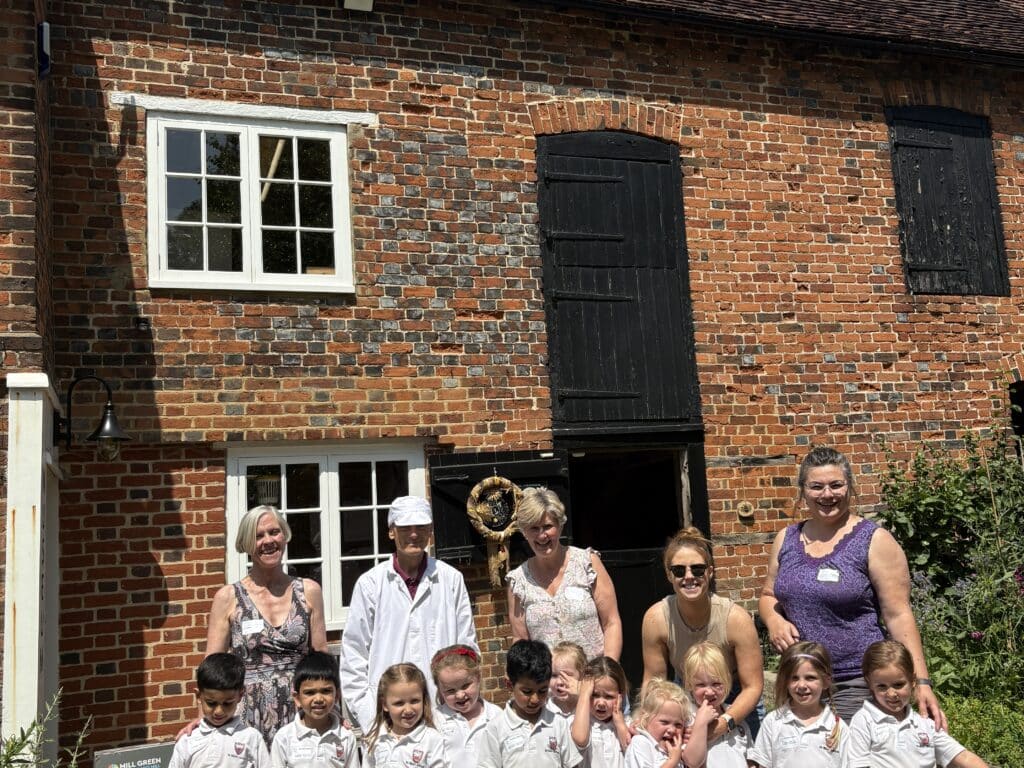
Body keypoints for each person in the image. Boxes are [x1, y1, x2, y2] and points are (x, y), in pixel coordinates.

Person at [759, 446, 945, 726]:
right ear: (803, 491)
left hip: (857, 681)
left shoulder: (874, 540)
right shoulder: (786, 538)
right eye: (817, 487)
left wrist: (921, 682)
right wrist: (774, 621)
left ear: (849, 487)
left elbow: (898, 615)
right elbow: (768, 594)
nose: (827, 494)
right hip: (800, 681)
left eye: (836, 485)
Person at [339, 495, 477, 732]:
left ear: (430, 530)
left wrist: (460, 705)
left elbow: (467, 647)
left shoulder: (451, 579)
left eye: (421, 527)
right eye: (405, 528)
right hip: (387, 719)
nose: (414, 534)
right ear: (391, 532)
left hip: (444, 714)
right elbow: (354, 654)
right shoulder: (370, 584)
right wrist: (369, 714)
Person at [206, 505, 328, 745]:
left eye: (274, 532)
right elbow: (212, 667)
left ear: (284, 536)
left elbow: (322, 659)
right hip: (247, 715)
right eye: (259, 536)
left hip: (302, 712)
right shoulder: (228, 597)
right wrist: (203, 720)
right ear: (246, 543)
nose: (268, 541)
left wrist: (332, 711)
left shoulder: (309, 591)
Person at [640, 527, 763, 739]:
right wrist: (645, 717)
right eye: (679, 571)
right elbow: (653, 680)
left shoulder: (735, 619)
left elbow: (752, 686)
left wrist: (724, 724)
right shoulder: (656, 619)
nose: (689, 577)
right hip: (687, 691)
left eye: (697, 569)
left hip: (735, 695)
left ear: (710, 572)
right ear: (669, 575)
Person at [507, 487, 623, 660]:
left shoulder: (587, 563)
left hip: (595, 673)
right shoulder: (518, 582)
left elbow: (611, 622)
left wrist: (608, 670)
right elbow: (520, 641)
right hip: (547, 676)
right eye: (534, 528)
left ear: (560, 526)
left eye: (548, 526)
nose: (542, 536)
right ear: (524, 532)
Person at [847, 640, 987, 768]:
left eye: (898, 685)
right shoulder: (864, 721)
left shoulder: (924, 724)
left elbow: (963, 757)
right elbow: (858, 764)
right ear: (870, 684)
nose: (891, 693)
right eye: (882, 686)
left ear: (913, 680)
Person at [477, 639, 583, 768]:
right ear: (509, 685)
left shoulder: (558, 723)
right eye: (527, 691)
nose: (535, 699)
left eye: (542, 691)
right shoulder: (496, 728)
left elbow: (572, 764)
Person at [748, 641, 847, 768]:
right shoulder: (773, 721)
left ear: (826, 681)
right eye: (794, 678)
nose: (801, 685)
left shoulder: (837, 727)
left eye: (810, 678)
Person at [169, 652, 270, 768]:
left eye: (227, 703)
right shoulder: (188, 740)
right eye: (211, 703)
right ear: (198, 696)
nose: (219, 711)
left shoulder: (251, 738)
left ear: (240, 695)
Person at [270, 651, 357, 768]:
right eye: (310, 692)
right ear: (297, 699)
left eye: (326, 691)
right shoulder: (284, 738)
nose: (318, 699)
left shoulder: (346, 737)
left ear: (337, 696)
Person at [362, 663, 448, 768]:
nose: (408, 710)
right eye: (399, 703)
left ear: (423, 700)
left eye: (414, 701)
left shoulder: (432, 739)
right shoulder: (375, 738)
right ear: (385, 705)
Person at [682, 642, 751, 768]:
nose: (709, 692)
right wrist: (701, 723)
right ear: (689, 685)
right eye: (701, 685)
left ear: (727, 681)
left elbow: (749, 756)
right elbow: (692, 762)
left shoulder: (735, 716)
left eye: (716, 684)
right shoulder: (686, 719)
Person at [430, 644, 501, 765]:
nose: (460, 695)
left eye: (465, 686)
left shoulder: (495, 715)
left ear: (478, 677)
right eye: (450, 690)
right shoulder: (435, 719)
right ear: (439, 689)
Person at [623, 678, 714, 768]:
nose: (672, 730)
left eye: (678, 725)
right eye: (664, 722)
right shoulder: (641, 743)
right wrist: (672, 761)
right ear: (645, 719)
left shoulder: (677, 749)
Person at [570, 656, 631, 768]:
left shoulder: (626, 723)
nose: (601, 703)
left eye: (608, 696)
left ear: (620, 696)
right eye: (594, 695)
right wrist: (584, 695)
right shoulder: (580, 721)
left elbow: (632, 752)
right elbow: (580, 739)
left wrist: (620, 724)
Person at [548, 641, 586, 724]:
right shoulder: (545, 709)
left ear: (582, 675)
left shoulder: (590, 707)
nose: (559, 682)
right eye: (554, 675)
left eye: (567, 675)